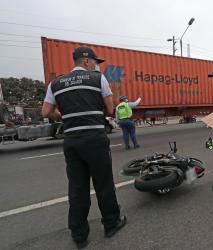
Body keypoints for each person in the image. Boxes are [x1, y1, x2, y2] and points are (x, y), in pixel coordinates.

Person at [42, 47, 125, 249]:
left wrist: (64, 115)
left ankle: (79, 234)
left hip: (71, 141)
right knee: (103, 184)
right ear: (86, 61)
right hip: (94, 138)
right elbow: (110, 108)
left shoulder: (56, 83)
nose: (97, 65)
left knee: (77, 187)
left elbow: (46, 112)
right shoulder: (97, 78)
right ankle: (111, 224)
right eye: (95, 61)